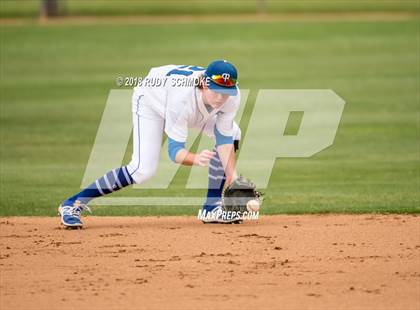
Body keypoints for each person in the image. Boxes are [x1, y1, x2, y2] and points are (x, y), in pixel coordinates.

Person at [58, 60, 242, 228]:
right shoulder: (182, 100)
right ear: (203, 84)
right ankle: (72, 204)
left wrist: (232, 177)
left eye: (225, 93)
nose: (220, 98)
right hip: (151, 101)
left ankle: (211, 208)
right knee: (142, 170)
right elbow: (175, 152)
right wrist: (195, 158)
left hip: (187, 105)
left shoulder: (232, 96)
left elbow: (225, 138)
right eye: (216, 90)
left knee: (234, 132)